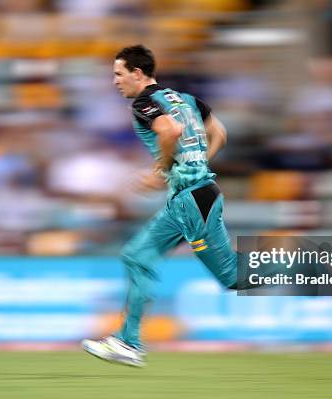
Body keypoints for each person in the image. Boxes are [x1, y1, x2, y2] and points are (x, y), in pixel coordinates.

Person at [83, 45, 238, 367]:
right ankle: (128, 342)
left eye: (118, 74)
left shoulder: (144, 102)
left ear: (138, 74)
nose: (114, 81)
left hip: (192, 200)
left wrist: (161, 171)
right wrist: (196, 165)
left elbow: (169, 130)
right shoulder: (189, 100)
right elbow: (219, 133)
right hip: (191, 197)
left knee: (233, 277)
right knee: (136, 256)